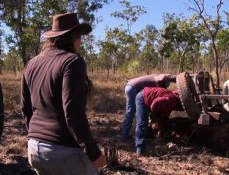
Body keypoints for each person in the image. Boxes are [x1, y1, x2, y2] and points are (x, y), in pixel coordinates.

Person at [21, 13, 106, 175]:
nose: (81, 42)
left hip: (34, 149)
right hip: (63, 152)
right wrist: (94, 153)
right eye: (80, 36)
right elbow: (73, 114)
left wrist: (36, 136)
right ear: (72, 37)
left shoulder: (31, 64)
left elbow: (25, 108)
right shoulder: (72, 62)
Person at [121, 74, 175, 140]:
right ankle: (133, 135)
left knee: (130, 111)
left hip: (129, 86)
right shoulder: (158, 80)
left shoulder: (154, 77)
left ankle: (125, 133)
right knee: (137, 113)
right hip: (133, 88)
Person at [134, 87, 183, 156]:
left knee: (147, 124)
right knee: (142, 122)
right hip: (143, 97)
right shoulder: (172, 100)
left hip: (147, 97)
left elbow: (164, 115)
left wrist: (161, 125)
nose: (179, 111)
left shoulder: (172, 101)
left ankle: (146, 139)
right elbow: (155, 104)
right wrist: (155, 116)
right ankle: (140, 149)